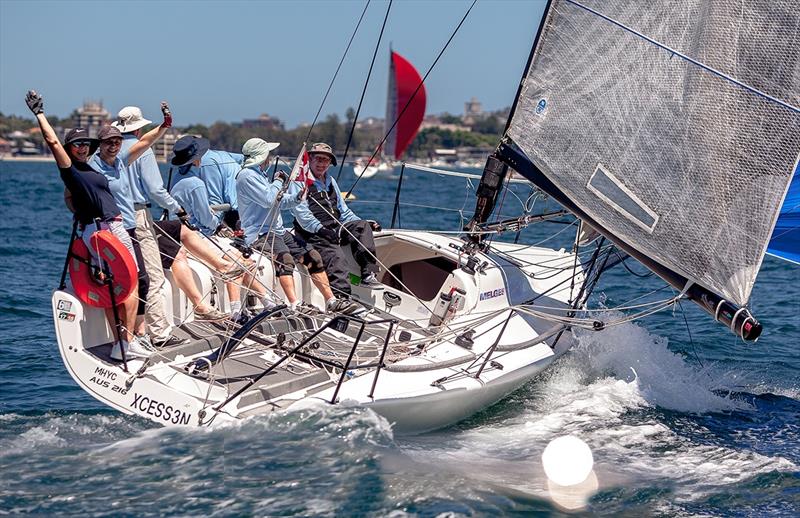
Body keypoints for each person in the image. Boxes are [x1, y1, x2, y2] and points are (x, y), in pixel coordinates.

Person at [25, 90, 144, 360]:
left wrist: (77, 209)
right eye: (77, 144)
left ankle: (122, 343)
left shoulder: (90, 168)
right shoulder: (71, 170)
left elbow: (73, 198)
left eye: (86, 144)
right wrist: (40, 113)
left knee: (115, 285)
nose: (83, 147)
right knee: (130, 282)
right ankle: (126, 342)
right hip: (105, 229)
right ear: (69, 149)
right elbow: (52, 142)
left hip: (105, 227)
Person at [89, 104, 185, 349]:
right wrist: (177, 209)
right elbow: (155, 189)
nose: (113, 145)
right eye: (108, 142)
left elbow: (147, 142)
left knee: (135, 275)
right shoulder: (125, 155)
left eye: (116, 140)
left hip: (122, 221)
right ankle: (158, 334)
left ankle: (137, 333)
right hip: (129, 220)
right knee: (149, 276)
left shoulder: (119, 155)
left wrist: (163, 127)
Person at [237, 138, 358, 314]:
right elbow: (269, 199)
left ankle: (331, 301)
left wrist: (296, 198)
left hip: (278, 230)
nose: (270, 158)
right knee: (285, 259)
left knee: (313, 256)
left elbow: (279, 202)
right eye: (268, 155)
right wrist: (279, 181)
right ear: (262, 157)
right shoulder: (247, 175)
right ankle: (294, 304)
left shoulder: (260, 175)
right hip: (261, 232)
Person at [293, 142, 383, 299]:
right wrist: (322, 230)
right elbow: (302, 215)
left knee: (361, 228)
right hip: (312, 233)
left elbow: (344, 212)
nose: (322, 164)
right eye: (319, 159)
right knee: (336, 256)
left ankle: (368, 273)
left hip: (335, 228)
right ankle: (342, 298)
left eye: (326, 161)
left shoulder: (330, 181)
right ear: (310, 159)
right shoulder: (300, 182)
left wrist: (363, 222)